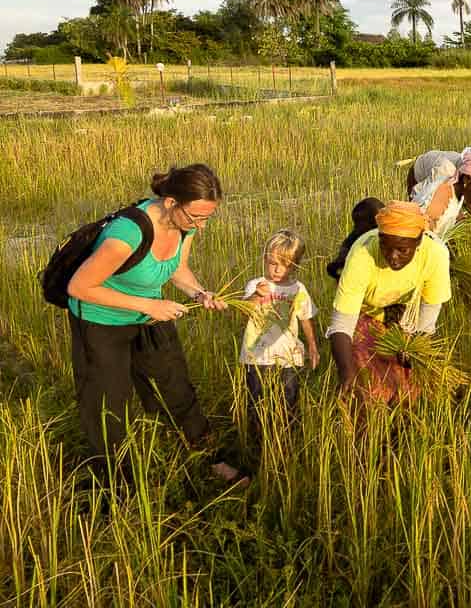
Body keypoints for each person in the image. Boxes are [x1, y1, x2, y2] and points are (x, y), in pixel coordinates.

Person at [65, 164, 245, 485]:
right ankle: (118, 487)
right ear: (171, 202)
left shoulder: (185, 226)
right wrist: (148, 304)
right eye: (196, 217)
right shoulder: (127, 234)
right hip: (100, 322)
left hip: (149, 315)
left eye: (207, 218)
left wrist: (200, 292)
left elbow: (178, 269)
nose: (201, 227)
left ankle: (209, 458)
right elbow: (79, 287)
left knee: (177, 388)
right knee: (109, 409)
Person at [326, 201, 451, 404]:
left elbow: (426, 322)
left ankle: (397, 432)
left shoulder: (435, 255)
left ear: (418, 242)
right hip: (365, 314)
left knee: (407, 391)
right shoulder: (362, 254)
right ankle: (366, 433)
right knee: (367, 389)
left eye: (402, 250)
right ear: (379, 237)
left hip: (404, 316)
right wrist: (346, 373)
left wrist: (413, 350)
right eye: (386, 246)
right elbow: (341, 325)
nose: (393, 257)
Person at [239, 229, 319, 436]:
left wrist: (312, 345)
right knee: (257, 401)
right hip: (256, 355)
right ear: (265, 258)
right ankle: (259, 439)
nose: (276, 270)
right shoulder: (256, 285)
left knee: (289, 399)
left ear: (295, 264)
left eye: (284, 265)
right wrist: (257, 295)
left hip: (288, 356)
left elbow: (305, 317)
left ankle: (286, 437)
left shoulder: (298, 289)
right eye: (272, 262)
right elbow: (242, 312)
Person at [409, 148, 471, 238]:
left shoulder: (470, 170)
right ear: (467, 179)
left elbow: (470, 202)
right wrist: (455, 215)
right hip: (419, 171)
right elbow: (417, 197)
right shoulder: (444, 172)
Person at [326, 197, 386, 280]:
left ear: (372, 221)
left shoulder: (390, 236)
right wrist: (338, 263)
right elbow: (345, 249)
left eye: (358, 222)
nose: (355, 226)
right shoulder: (358, 233)